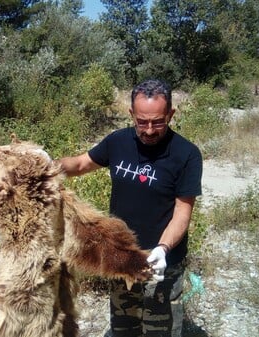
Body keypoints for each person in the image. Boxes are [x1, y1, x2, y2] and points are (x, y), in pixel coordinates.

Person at [58, 79, 203, 337]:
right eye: (142, 121)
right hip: (122, 256)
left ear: (171, 114)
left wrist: (163, 248)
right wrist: (44, 164)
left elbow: (183, 212)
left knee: (161, 330)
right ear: (131, 114)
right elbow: (80, 165)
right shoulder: (118, 142)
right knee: (124, 328)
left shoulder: (186, 154)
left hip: (162, 262)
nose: (149, 130)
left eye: (158, 121)